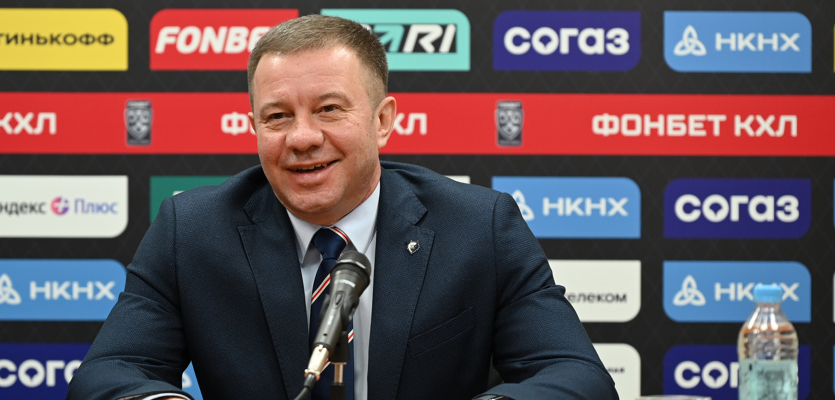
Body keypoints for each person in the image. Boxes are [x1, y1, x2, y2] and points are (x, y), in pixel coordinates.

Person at [67, 14, 618, 400]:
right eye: (277, 117)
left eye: (329, 109)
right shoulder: (192, 229)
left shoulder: (479, 225)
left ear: (383, 121)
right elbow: (108, 373)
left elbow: (575, 375)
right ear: (254, 126)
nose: (302, 138)